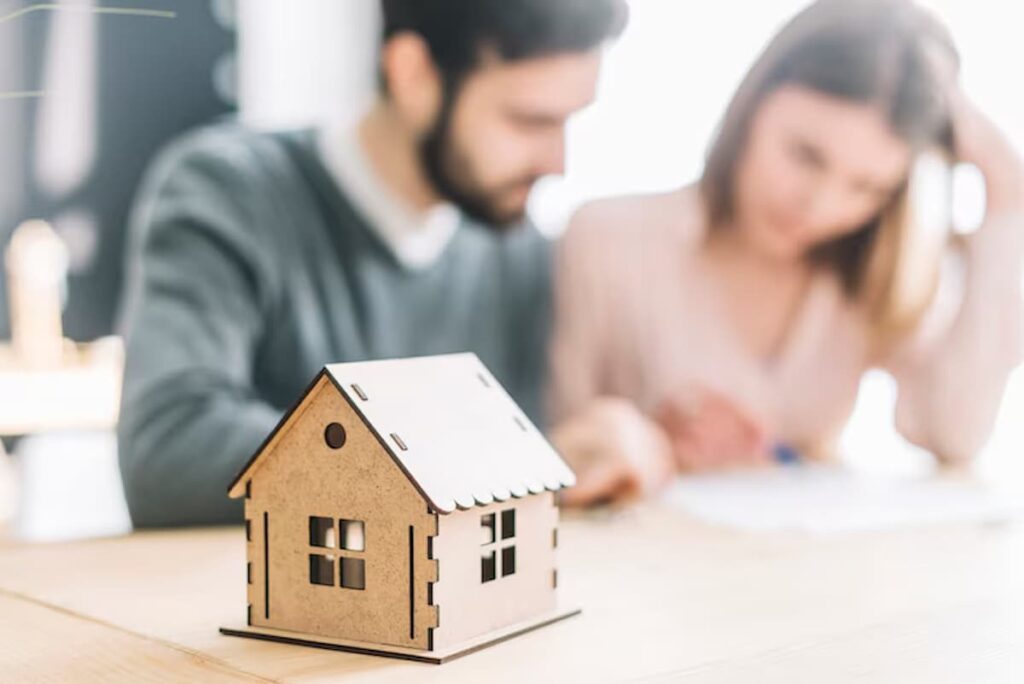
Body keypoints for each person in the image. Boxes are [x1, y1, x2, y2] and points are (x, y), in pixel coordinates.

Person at [117, 0, 628, 526]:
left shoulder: (517, 249)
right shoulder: (227, 193)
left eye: (569, 122)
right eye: (528, 120)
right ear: (413, 74)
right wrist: (482, 458)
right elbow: (168, 454)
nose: (557, 163)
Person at [550, 0, 1024, 506]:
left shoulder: (872, 276)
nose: (819, 206)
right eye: (805, 155)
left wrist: (1009, 194)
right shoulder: (606, 239)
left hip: (801, 573)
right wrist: (649, 445)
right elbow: (560, 454)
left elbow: (954, 433)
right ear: (753, 103)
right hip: (641, 571)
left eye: (866, 187)